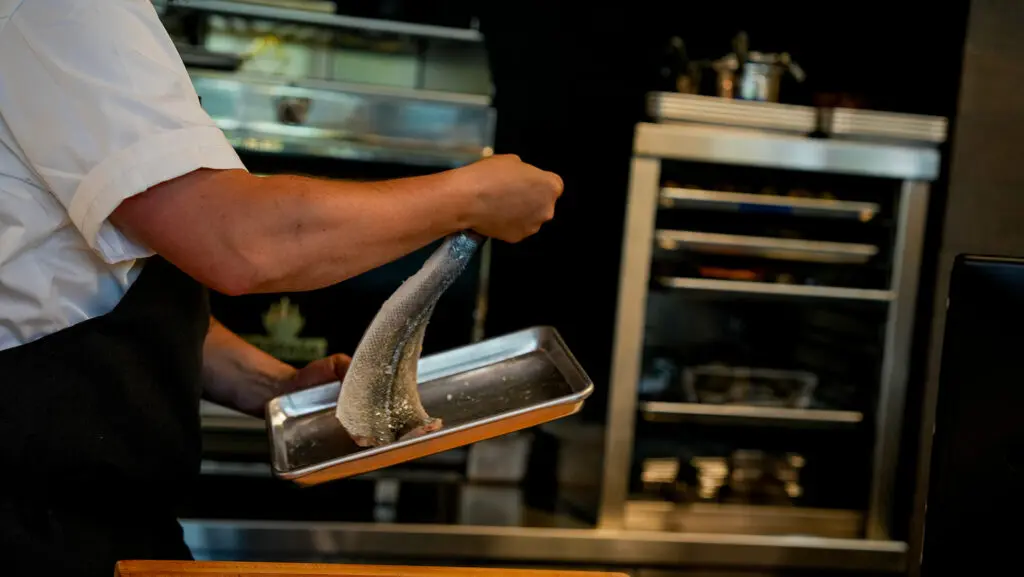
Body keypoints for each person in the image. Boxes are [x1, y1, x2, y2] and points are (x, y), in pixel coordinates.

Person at [0, 1, 563, 574]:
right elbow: (239, 244)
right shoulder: (59, 10)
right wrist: (472, 198)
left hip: (92, 511)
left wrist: (274, 384)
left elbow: (88, 290)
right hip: (35, 525)